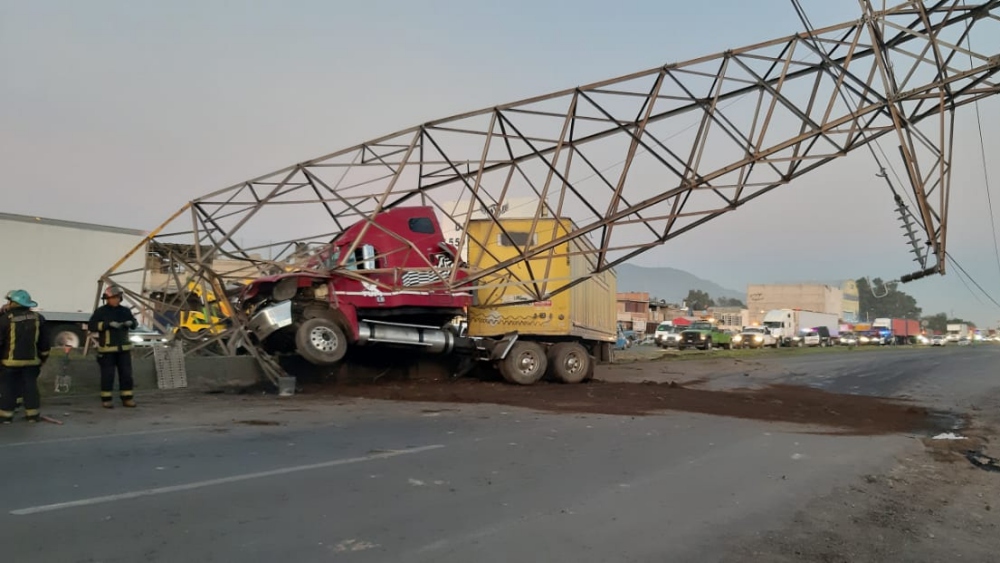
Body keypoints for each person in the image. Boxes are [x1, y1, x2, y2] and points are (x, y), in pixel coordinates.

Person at [0, 290, 51, 423]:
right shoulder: (38, 318)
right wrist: (43, 358)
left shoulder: (6, 319)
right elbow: (44, 342)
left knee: (8, 388)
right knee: (30, 387)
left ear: (14, 302)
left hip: (10, 363)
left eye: (9, 301)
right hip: (31, 362)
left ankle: (6, 417)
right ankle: (32, 415)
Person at [87, 285, 138, 408]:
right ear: (107, 299)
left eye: (117, 298)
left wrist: (131, 323)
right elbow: (92, 326)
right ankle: (106, 399)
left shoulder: (125, 311)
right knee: (107, 375)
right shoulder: (101, 311)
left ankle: (127, 398)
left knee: (126, 375)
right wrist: (107, 324)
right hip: (107, 350)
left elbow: (134, 323)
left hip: (124, 350)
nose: (115, 300)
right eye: (113, 298)